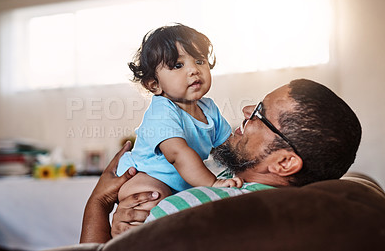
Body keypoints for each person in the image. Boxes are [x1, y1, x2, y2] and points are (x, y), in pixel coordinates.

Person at [80, 78, 362, 242]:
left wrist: (97, 204)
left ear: (284, 163)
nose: (246, 109)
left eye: (260, 114)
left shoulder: (188, 212)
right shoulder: (275, 205)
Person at [116, 23, 242, 205]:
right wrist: (213, 183)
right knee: (152, 196)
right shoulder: (162, 111)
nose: (194, 70)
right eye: (178, 65)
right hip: (145, 175)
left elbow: (228, 147)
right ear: (154, 85)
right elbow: (177, 153)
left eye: (200, 61)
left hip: (183, 181)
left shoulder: (209, 108)